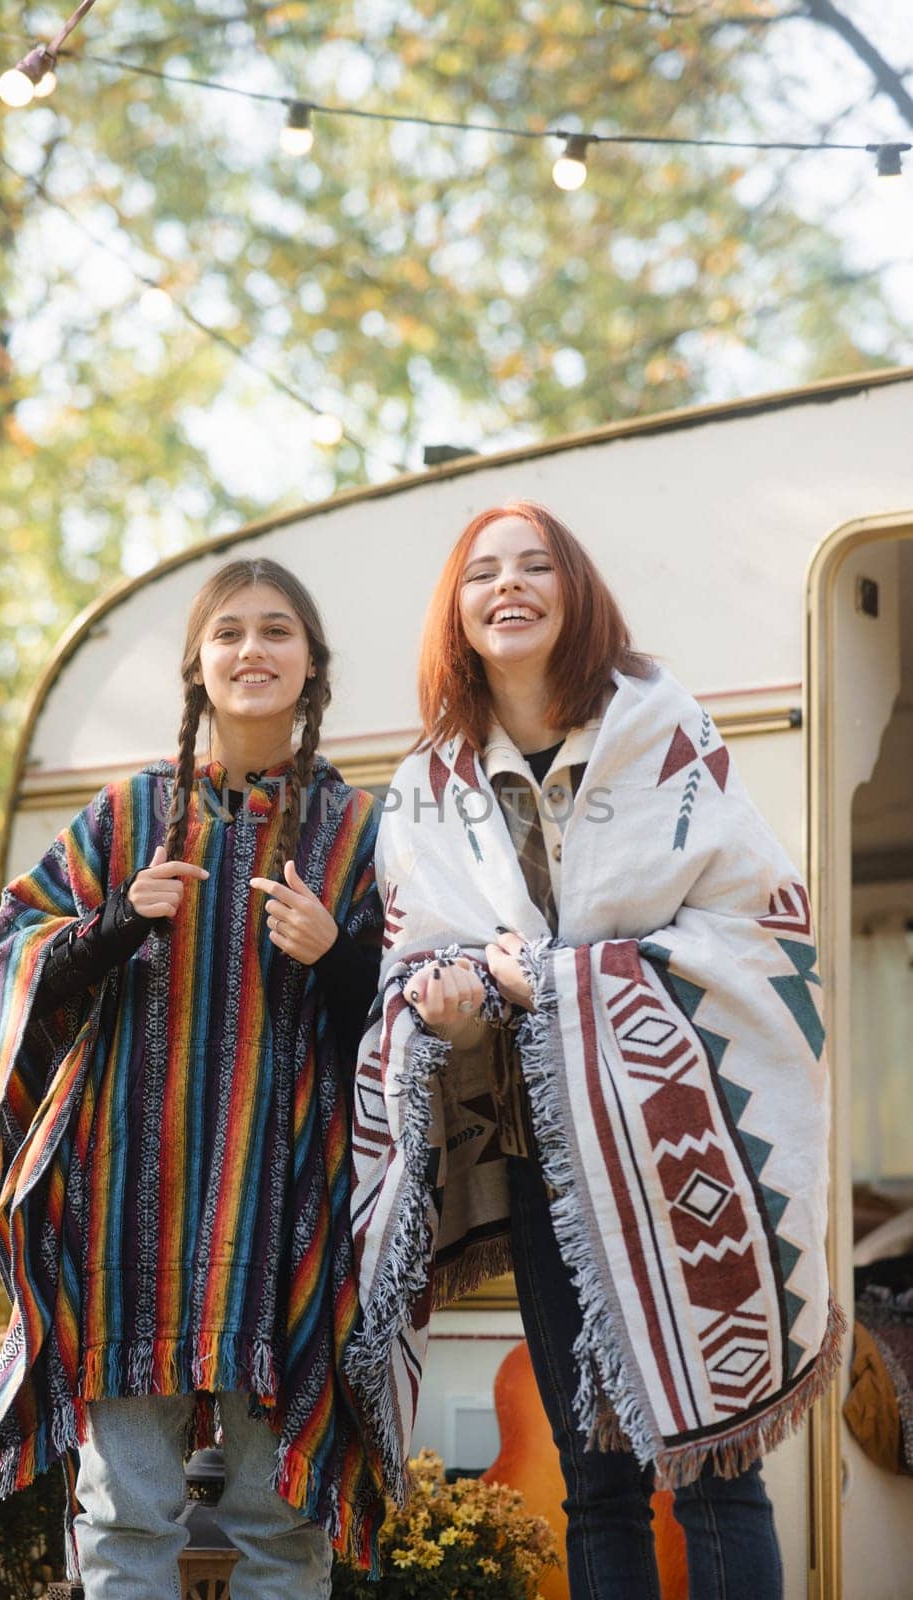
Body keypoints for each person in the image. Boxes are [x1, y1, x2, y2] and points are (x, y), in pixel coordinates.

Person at [348, 501, 843, 1600]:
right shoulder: (427, 782)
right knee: (595, 1478)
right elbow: (416, 955)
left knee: (716, 1469)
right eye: (481, 572)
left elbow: (764, 927)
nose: (506, 585)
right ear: (457, 611)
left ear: (574, 594)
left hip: (688, 1151)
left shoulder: (664, 732)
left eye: (534, 566)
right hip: (546, 1163)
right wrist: (450, 1003)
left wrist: (559, 981)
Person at [0, 558, 386, 1598]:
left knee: (280, 1526)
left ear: (311, 666)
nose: (251, 650)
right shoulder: (126, 814)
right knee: (125, 1515)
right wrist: (114, 922)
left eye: (277, 631)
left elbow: (411, 1024)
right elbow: (10, 957)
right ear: (196, 667)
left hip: (292, 1225)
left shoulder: (360, 831)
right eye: (227, 633)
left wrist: (338, 954)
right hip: (129, 1225)